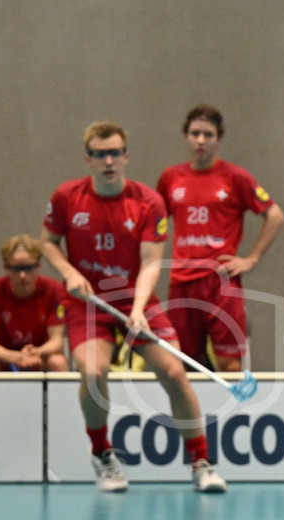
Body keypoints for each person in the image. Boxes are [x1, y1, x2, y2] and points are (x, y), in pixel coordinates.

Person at [40, 120, 226, 494]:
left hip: (134, 299)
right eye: (99, 154)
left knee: (174, 373)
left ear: (126, 156)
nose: (108, 160)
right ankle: (102, 454)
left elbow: (151, 264)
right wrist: (67, 272)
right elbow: (47, 242)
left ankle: (201, 463)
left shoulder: (147, 202)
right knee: (93, 372)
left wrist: (140, 308)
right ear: (87, 158)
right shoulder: (66, 197)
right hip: (87, 301)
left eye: (114, 153)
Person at [156, 104, 284, 372]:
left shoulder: (235, 177)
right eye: (195, 134)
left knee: (230, 365)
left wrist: (251, 259)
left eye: (208, 135)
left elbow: (275, 215)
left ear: (219, 138)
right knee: (184, 364)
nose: (201, 141)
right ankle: (196, 416)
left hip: (220, 283)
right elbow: (153, 224)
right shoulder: (171, 178)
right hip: (182, 282)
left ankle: (230, 414)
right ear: (185, 136)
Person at [0, 234, 68, 372]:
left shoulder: (54, 289)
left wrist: (38, 352)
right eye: (16, 269)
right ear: (6, 267)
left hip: (38, 355)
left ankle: (60, 395)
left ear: (38, 265)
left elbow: (57, 341)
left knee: (58, 361)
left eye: (28, 268)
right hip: (3, 356)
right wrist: (13, 356)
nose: (23, 275)